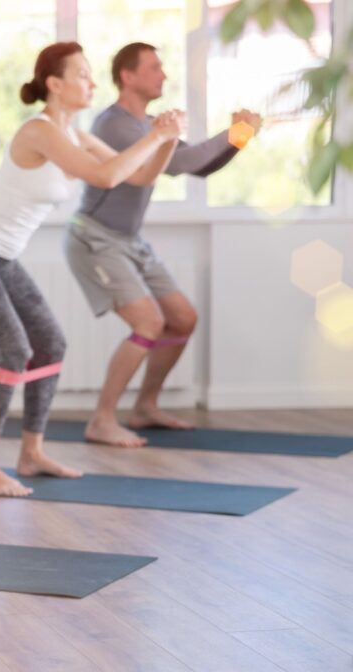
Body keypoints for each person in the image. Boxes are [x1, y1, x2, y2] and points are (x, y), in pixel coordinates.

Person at [0, 42, 185, 496]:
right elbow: (105, 177)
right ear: (55, 84)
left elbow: (137, 176)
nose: (92, 82)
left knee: (49, 344)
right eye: (83, 74)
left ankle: (31, 454)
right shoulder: (40, 131)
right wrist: (156, 135)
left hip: (2, 257)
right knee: (14, 352)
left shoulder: (74, 134)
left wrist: (165, 141)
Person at [65, 42, 262, 447]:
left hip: (129, 239)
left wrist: (239, 138)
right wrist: (238, 131)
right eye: (154, 67)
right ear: (128, 76)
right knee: (148, 323)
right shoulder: (114, 125)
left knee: (182, 318)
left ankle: (145, 407)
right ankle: (102, 420)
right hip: (95, 238)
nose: (164, 75)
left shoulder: (150, 125)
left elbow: (199, 166)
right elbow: (180, 163)